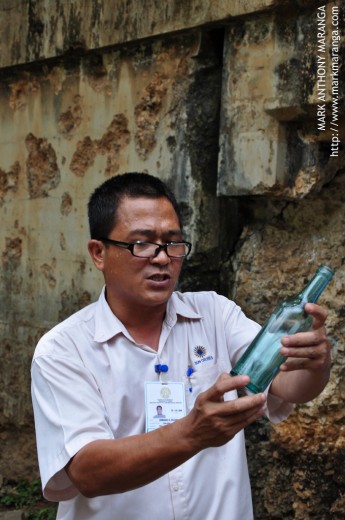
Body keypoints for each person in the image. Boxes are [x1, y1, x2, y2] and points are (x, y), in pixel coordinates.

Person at [31, 172, 331, 520]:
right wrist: (192, 433)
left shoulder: (215, 314)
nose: (162, 258)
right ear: (99, 253)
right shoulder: (64, 349)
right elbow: (87, 471)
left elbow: (290, 387)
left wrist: (314, 362)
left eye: (173, 242)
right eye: (141, 244)